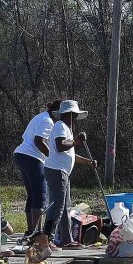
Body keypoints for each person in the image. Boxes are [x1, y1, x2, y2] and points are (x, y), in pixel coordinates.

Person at [43, 99, 97, 247]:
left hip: (62, 172)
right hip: (56, 171)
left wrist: (88, 162)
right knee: (57, 206)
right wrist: (76, 141)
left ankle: (67, 240)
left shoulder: (66, 128)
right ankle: (47, 240)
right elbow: (60, 146)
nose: (75, 119)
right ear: (69, 114)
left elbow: (70, 154)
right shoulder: (60, 126)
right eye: (74, 115)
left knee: (65, 206)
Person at [13, 99, 62, 236]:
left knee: (32, 195)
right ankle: (37, 233)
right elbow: (38, 141)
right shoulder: (48, 121)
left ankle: (30, 231)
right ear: (56, 113)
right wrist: (52, 157)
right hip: (32, 157)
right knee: (41, 195)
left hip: (21, 154)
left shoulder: (40, 116)